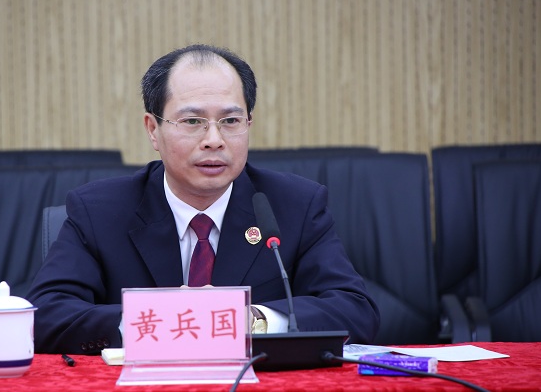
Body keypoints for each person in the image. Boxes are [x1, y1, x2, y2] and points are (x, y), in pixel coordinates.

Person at [26, 44, 379, 354]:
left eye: (230, 121)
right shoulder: (99, 211)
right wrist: (163, 320)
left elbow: (355, 309)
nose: (214, 139)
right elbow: (44, 314)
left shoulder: (295, 206)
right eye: (193, 121)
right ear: (153, 129)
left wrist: (253, 319)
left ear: (248, 124)